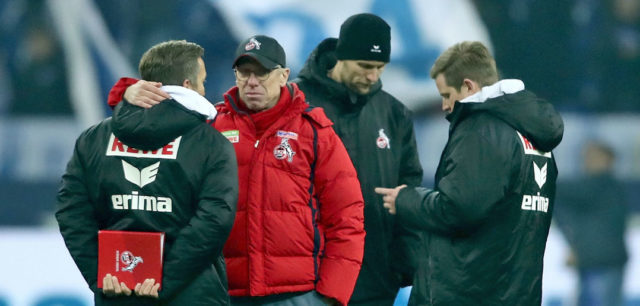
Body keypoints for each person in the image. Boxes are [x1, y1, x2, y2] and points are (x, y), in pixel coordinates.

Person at [107, 35, 366, 306]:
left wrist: (332, 293)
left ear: (284, 76)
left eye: (262, 72)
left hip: (299, 295)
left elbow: (347, 215)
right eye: (244, 72)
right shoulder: (210, 124)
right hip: (222, 294)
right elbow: (153, 121)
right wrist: (126, 91)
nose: (252, 81)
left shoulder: (314, 131)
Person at [375, 41, 564, 305]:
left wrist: (406, 199)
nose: (443, 106)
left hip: (469, 294)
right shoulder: (534, 137)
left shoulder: (482, 131)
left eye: (446, 95)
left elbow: (457, 209)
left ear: (468, 86)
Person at [56, 40, 239, 305]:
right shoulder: (212, 144)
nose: (204, 89)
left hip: (117, 289)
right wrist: (162, 280)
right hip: (192, 293)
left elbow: (71, 212)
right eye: (202, 82)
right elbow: (214, 221)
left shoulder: (93, 139)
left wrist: (100, 273)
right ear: (187, 85)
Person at [293, 13, 424, 305]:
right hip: (307, 282)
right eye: (365, 66)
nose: (372, 76)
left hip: (376, 281)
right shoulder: (293, 103)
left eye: (380, 67)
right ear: (341, 56)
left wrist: (404, 265)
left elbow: (409, 190)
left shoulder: (394, 114)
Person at [555, 141, 629, 306]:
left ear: (607, 159)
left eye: (592, 156)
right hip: (594, 263)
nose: (587, 161)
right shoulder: (605, 188)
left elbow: (558, 189)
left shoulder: (601, 186)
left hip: (602, 264)